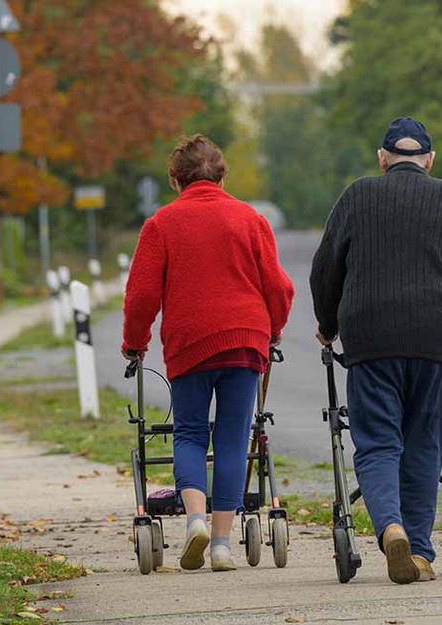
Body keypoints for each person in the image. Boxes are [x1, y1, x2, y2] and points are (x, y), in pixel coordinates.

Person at [310, 117, 442, 584]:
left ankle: (388, 527)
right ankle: (418, 551)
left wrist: (328, 324)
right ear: (430, 161)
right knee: (423, 441)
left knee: (376, 442)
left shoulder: (356, 197)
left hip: (370, 340)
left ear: (383, 159)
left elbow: (325, 269)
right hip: (435, 340)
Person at [122, 134, 295, 572]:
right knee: (235, 436)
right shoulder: (249, 219)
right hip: (244, 338)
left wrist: (134, 343)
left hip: (190, 342)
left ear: (175, 179)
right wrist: (274, 329)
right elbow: (277, 286)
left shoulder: (161, 224)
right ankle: (221, 544)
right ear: (221, 174)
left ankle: (194, 519)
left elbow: (141, 295)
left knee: (191, 433)